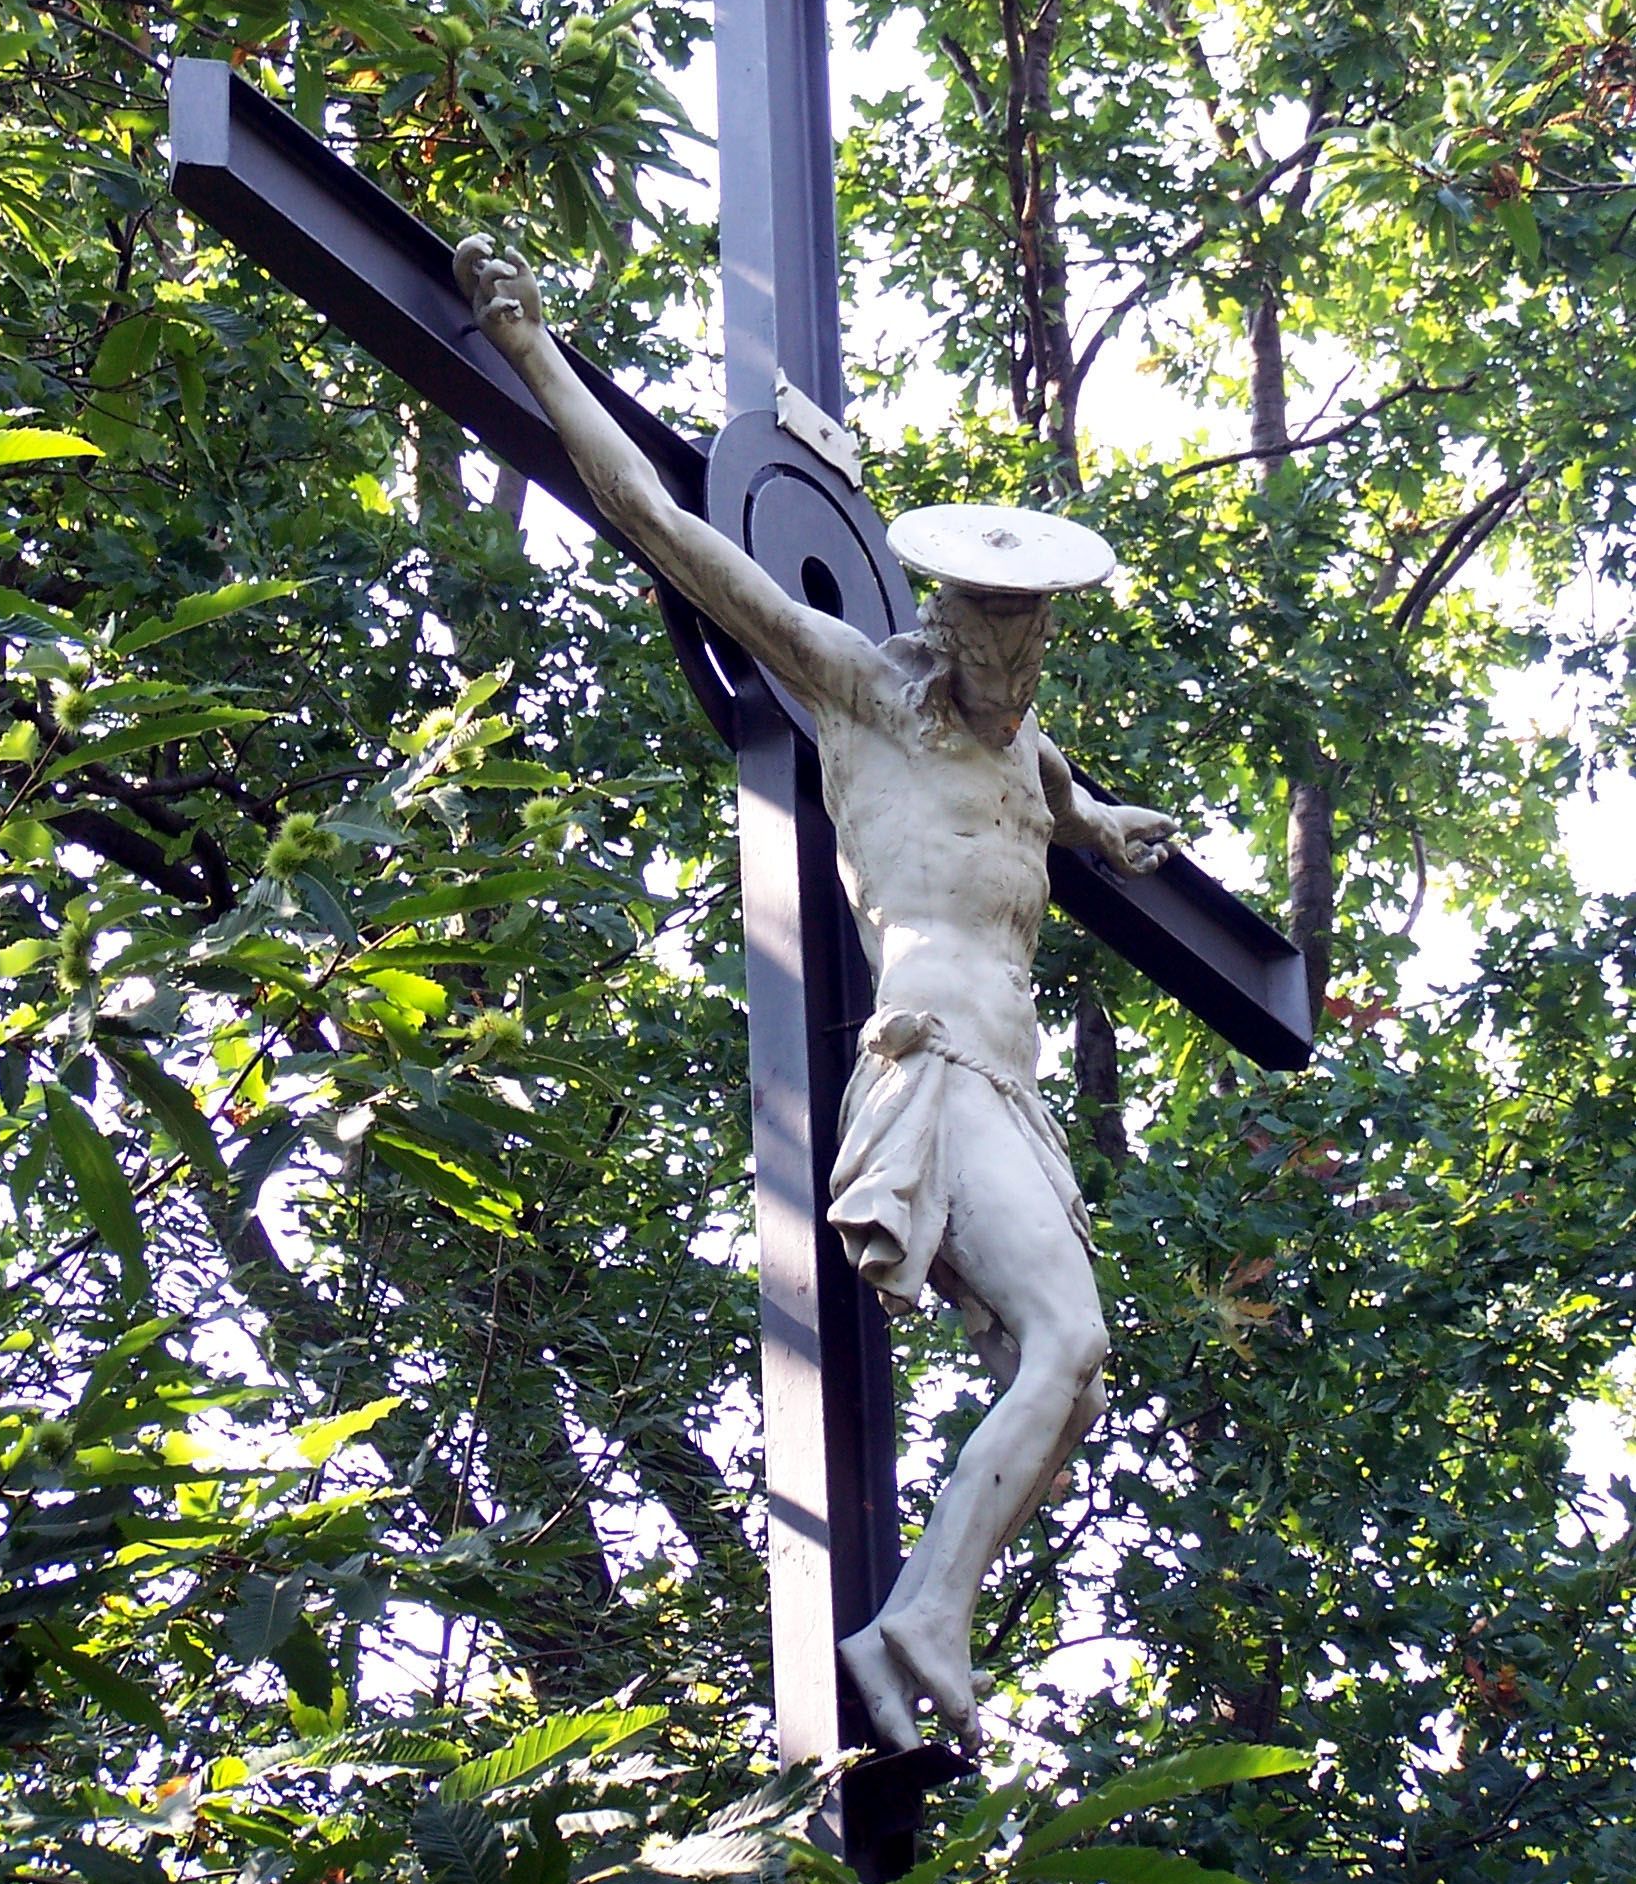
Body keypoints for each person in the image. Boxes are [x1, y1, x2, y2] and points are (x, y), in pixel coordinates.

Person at [454, 237, 1177, 1754]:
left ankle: (923, 1605)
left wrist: (1100, 825)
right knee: (1070, 1347)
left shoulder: (1020, 750)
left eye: (1037, 644)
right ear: (948, 632)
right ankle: (920, 1611)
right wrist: (528, 348)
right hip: (933, 1065)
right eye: (999, 639)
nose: (1020, 671)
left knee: (1077, 1386)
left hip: (1014, 1083)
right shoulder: (860, 690)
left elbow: (1050, 785)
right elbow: (656, 521)